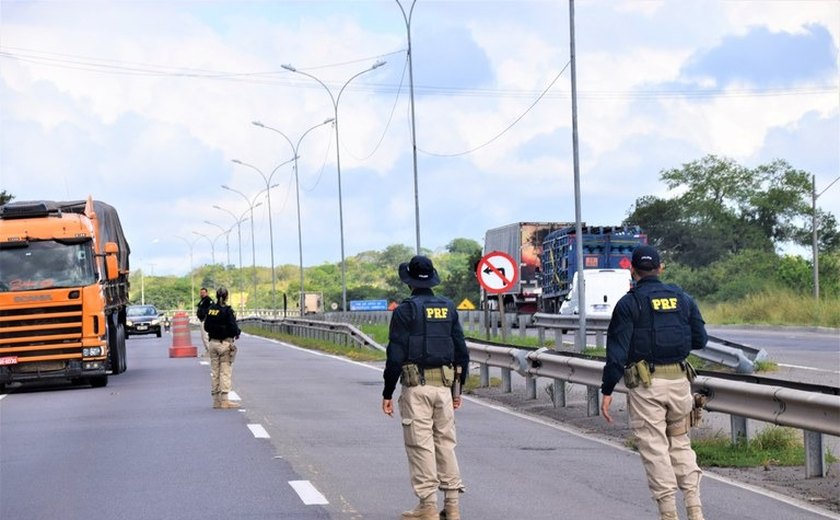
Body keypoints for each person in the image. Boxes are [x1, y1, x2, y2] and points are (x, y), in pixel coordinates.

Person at [600, 245, 708, 520]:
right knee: (681, 444)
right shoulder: (682, 298)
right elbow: (700, 340)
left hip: (647, 387)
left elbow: (617, 354)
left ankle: (669, 514)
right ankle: (695, 510)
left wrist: (608, 389)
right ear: (660, 268)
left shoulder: (629, 303)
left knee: (655, 448)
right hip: (681, 383)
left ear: (632, 271)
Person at [382, 255, 470, 520]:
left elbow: (395, 354)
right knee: (445, 444)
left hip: (416, 387)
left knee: (421, 446)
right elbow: (461, 352)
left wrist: (387, 392)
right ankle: (452, 507)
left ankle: (428, 507)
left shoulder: (405, 310)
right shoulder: (448, 307)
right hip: (444, 389)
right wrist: (458, 390)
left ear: (408, 281)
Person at [203, 286, 241, 409]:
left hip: (212, 344)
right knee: (225, 372)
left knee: (215, 372)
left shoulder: (210, 310)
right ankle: (225, 400)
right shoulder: (228, 311)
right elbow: (233, 328)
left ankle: (216, 401)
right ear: (226, 296)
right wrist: (236, 332)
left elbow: (206, 327)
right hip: (224, 344)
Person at [196, 287, 214, 355]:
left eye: (203, 292)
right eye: (201, 293)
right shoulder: (202, 300)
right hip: (202, 320)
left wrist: (206, 316)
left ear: (206, 293)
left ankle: (210, 351)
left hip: (206, 320)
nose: (202, 294)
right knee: (204, 336)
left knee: (205, 336)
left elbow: (211, 309)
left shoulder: (209, 300)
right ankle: (208, 350)